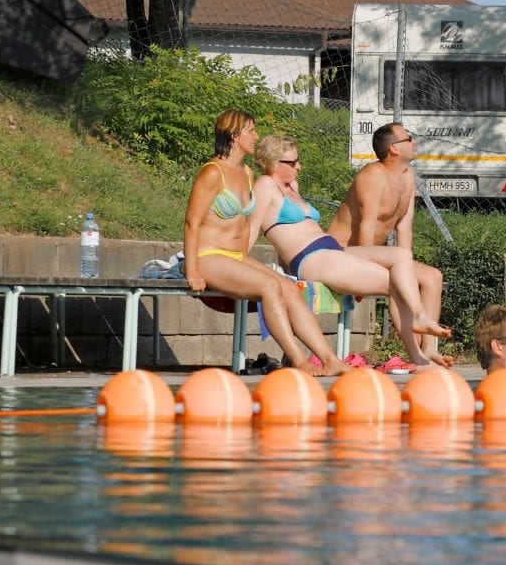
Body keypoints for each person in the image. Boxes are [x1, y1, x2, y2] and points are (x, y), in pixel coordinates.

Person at [249, 134, 450, 367]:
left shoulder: (292, 185)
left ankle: (419, 319)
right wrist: (243, 260)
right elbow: (253, 230)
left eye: (297, 161)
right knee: (395, 283)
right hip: (312, 258)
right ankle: (418, 354)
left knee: (402, 256)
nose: (298, 167)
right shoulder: (264, 185)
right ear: (274, 161)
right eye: (292, 163)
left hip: (332, 248)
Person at [183, 109, 349, 377]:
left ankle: (329, 359)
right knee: (270, 286)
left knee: (289, 287)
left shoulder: (245, 172)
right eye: (251, 130)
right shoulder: (212, 173)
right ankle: (299, 361)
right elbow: (192, 223)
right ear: (234, 135)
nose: (256, 136)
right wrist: (192, 270)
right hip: (209, 256)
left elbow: (248, 224)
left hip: (234, 257)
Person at [327, 122, 447, 361]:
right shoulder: (372, 175)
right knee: (399, 283)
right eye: (409, 138)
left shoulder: (407, 176)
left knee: (432, 277)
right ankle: (416, 356)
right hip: (340, 254)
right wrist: (370, 269)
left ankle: (430, 350)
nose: (414, 142)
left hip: (378, 255)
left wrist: (406, 267)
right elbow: (367, 227)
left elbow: (404, 226)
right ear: (394, 148)